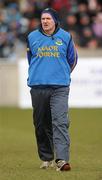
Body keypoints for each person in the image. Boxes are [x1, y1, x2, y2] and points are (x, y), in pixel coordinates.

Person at [27, 8, 78, 171]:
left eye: (48, 18)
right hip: (38, 86)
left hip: (60, 87)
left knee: (60, 122)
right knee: (41, 124)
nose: (45, 21)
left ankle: (62, 160)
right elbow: (31, 60)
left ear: (55, 20)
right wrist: (40, 74)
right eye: (42, 18)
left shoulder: (65, 37)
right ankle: (46, 158)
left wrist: (61, 74)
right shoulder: (32, 37)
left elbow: (73, 59)